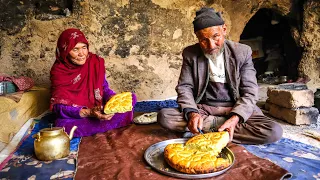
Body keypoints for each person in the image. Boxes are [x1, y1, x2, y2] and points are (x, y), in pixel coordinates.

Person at [157, 7, 283, 144]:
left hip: (234, 107)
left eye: (215, 37)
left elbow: (250, 91)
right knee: (165, 117)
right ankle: (223, 130)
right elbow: (185, 87)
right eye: (203, 40)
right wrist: (193, 113)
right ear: (198, 38)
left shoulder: (242, 52)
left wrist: (235, 117)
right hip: (204, 108)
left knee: (273, 131)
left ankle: (210, 128)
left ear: (224, 29)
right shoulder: (190, 53)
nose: (210, 45)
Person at [50, 28, 136, 137]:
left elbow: (104, 89)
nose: (82, 54)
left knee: (131, 98)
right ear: (65, 52)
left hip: (98, 109)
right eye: (75, 49)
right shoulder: (59, 71)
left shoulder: (94, 62)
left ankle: (100, 124)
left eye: (84, 48)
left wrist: (113, 101)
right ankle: (107, 124)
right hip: (79, 114)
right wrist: (89, 112)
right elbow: (59, 108)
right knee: (62, 126)